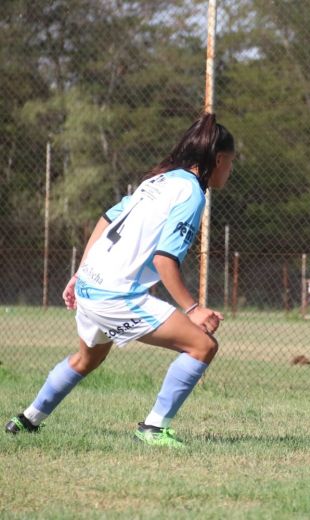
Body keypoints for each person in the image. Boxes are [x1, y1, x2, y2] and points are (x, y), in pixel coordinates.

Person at [5, 113, 235, 447]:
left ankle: (26, 420)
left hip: (91, 285)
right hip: (114, 294)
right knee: (202, 345)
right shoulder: (191, 195)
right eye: (230, 162)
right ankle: (154, 429)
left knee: (87, 359)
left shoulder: (160, 181)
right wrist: (193, 308)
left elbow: (107, 218)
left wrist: (81, 271)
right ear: (217, 159)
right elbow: (164, 260)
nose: (230, 169)